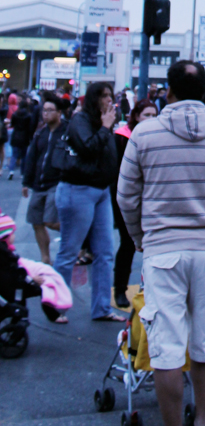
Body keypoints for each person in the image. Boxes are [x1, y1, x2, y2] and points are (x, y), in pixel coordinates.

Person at [117, 59, 205, 426]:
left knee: (167, 347)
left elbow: (126, 197)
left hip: (162, 251)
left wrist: (142, 238)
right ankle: (203, 425)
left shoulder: (144, 134)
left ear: (167, 92)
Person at [53, 81, 127, 324]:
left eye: (110, 95)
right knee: (69, 251)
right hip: (78, 189)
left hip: (101, 190)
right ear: (94, 99)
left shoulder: (104, 122)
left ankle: (101, 307)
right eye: (104, 96)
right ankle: (56, 306)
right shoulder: (80, 120)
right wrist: (106, 127)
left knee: (105, 252)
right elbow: (87, 148)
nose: (108, 100)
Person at [112, 99, 158, 309]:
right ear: (137, 116)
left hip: (151, 198)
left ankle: (148, 290)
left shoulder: (158, 138)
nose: (150, 119)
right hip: (128, 198)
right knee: (128, 244)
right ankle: (120, 288)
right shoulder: (122, 137)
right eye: (146, 115)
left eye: (153, 115)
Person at [22, 93, 67, 265]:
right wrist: (26, 182)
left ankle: (80, 238)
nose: (45, 113)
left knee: (51, 221)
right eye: (44, 110)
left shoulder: (67, 131)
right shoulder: (40, 133)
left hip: (56, 183)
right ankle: (45, 257)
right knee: (36, 222)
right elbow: (32, 157)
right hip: (37, 185)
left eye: (50, 110)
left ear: (59, 113)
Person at [7, 94, 33, 179]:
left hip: (16, 136)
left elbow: (12, 124)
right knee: (24, 156)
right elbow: (30, 128)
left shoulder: (15, 114)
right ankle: (22, 173)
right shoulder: (29, 115)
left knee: (14, 155)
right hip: (25, 137)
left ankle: (11, 170)